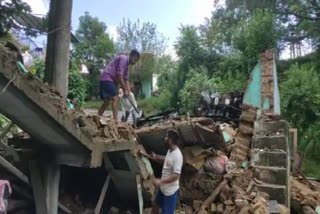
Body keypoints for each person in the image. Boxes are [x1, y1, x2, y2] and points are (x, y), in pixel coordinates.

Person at [139, 130, 183, 214]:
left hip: (170, 192)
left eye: (166, 137)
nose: (164, 138)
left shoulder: (177, 156)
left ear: (170, 140)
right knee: (155, 205)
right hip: (163, 189)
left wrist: (161, 181)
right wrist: (152, 156)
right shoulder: (170, 151)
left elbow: (176, 176)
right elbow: (166, 160)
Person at [98, 50, 140, 120]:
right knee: (115, 98)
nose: (135, 62)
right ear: (132, 56)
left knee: (107, 102)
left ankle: (97, 117)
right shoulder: (123, 59)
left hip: (109, 80)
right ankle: (115, 122)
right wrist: (124, 90)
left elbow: (126, 79)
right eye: (135, 60)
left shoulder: (127, 67)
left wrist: (128, 92)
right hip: (107, 77)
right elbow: (120, 76)